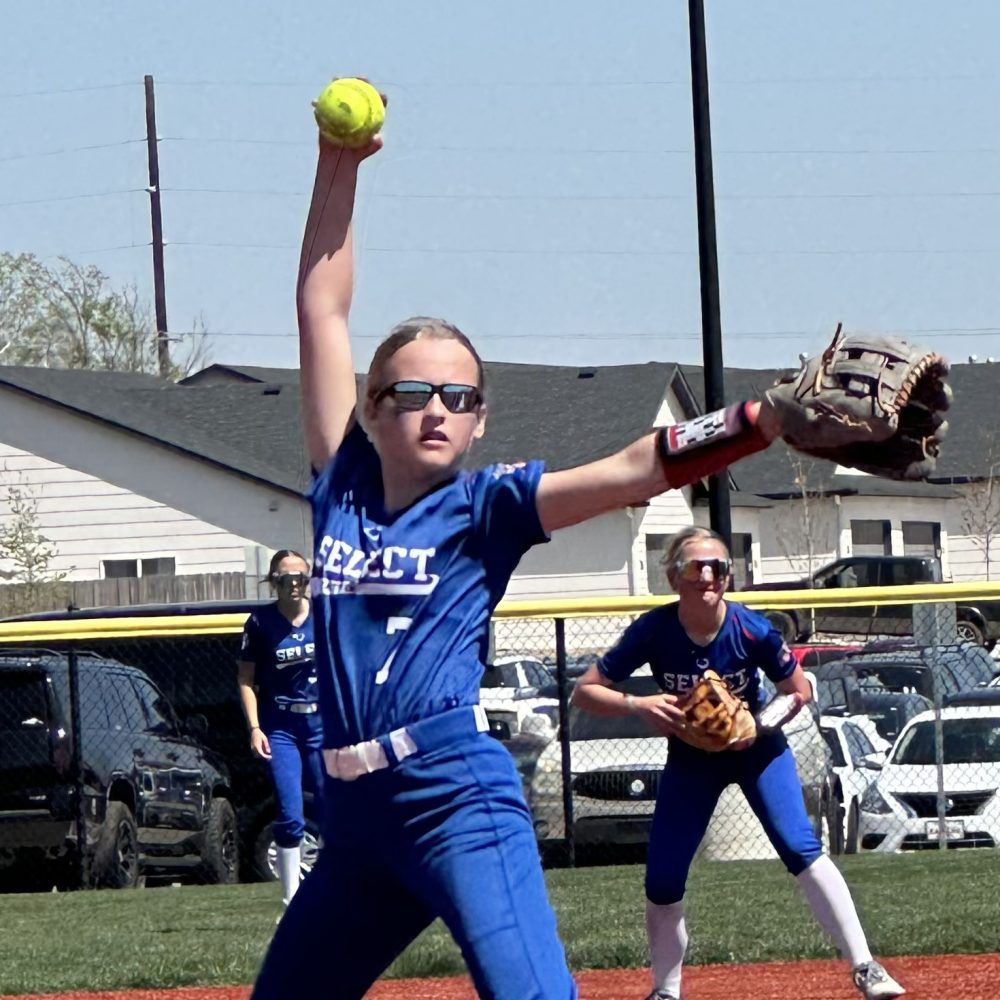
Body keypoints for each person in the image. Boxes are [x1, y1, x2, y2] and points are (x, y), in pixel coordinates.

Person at [248, 95, 867, 1000]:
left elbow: (631, 468)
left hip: (454, 797)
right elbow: (321, 308)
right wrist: (337, 164)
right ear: (373, 408)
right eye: (413, 392)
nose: (436, 409)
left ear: (481, 420)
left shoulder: (485, 506)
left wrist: (757, 419)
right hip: (356, 825)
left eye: (459, 397)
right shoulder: (340, 483)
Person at [572, 526, 905, 1000]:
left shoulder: (750, 628)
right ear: (673, 577)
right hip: (692, 758)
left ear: (728, 577)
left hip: (757, 753)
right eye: (695, 566)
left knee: (799, 847)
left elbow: (798, 690)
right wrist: (638, 705)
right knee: (663, 877)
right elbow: (585, 691)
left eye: (719, 567)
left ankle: (866, 966)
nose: (708, 576)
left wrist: (757, 726)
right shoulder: (654, 630)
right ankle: (666, 991)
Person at [238, 549, 324, 912]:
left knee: (335, 811)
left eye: (301, 577)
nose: (294, 585)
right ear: (274, 581)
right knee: (290, 815)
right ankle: (291, 902)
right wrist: (255, 727)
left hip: (321, 725)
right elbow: (246, 680)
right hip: (282, 727)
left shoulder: (323, 615)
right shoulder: (260, 623)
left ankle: (337, 894)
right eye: (286, 578)